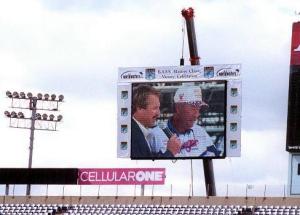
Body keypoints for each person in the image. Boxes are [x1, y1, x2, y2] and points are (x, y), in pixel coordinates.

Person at [166, 85, 221, 157]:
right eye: (192, 109)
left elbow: (215, 157)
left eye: (198, 109)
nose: (196, 115)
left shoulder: (200, 131)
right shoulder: (156, 135)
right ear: (178, 108)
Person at [131, 85, 181, 158]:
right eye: (155, 108)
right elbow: (146, 167)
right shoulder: (134, 136)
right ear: (139, 108)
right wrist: (170, 152)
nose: (158, 113)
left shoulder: (138, 131)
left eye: (158, 108)